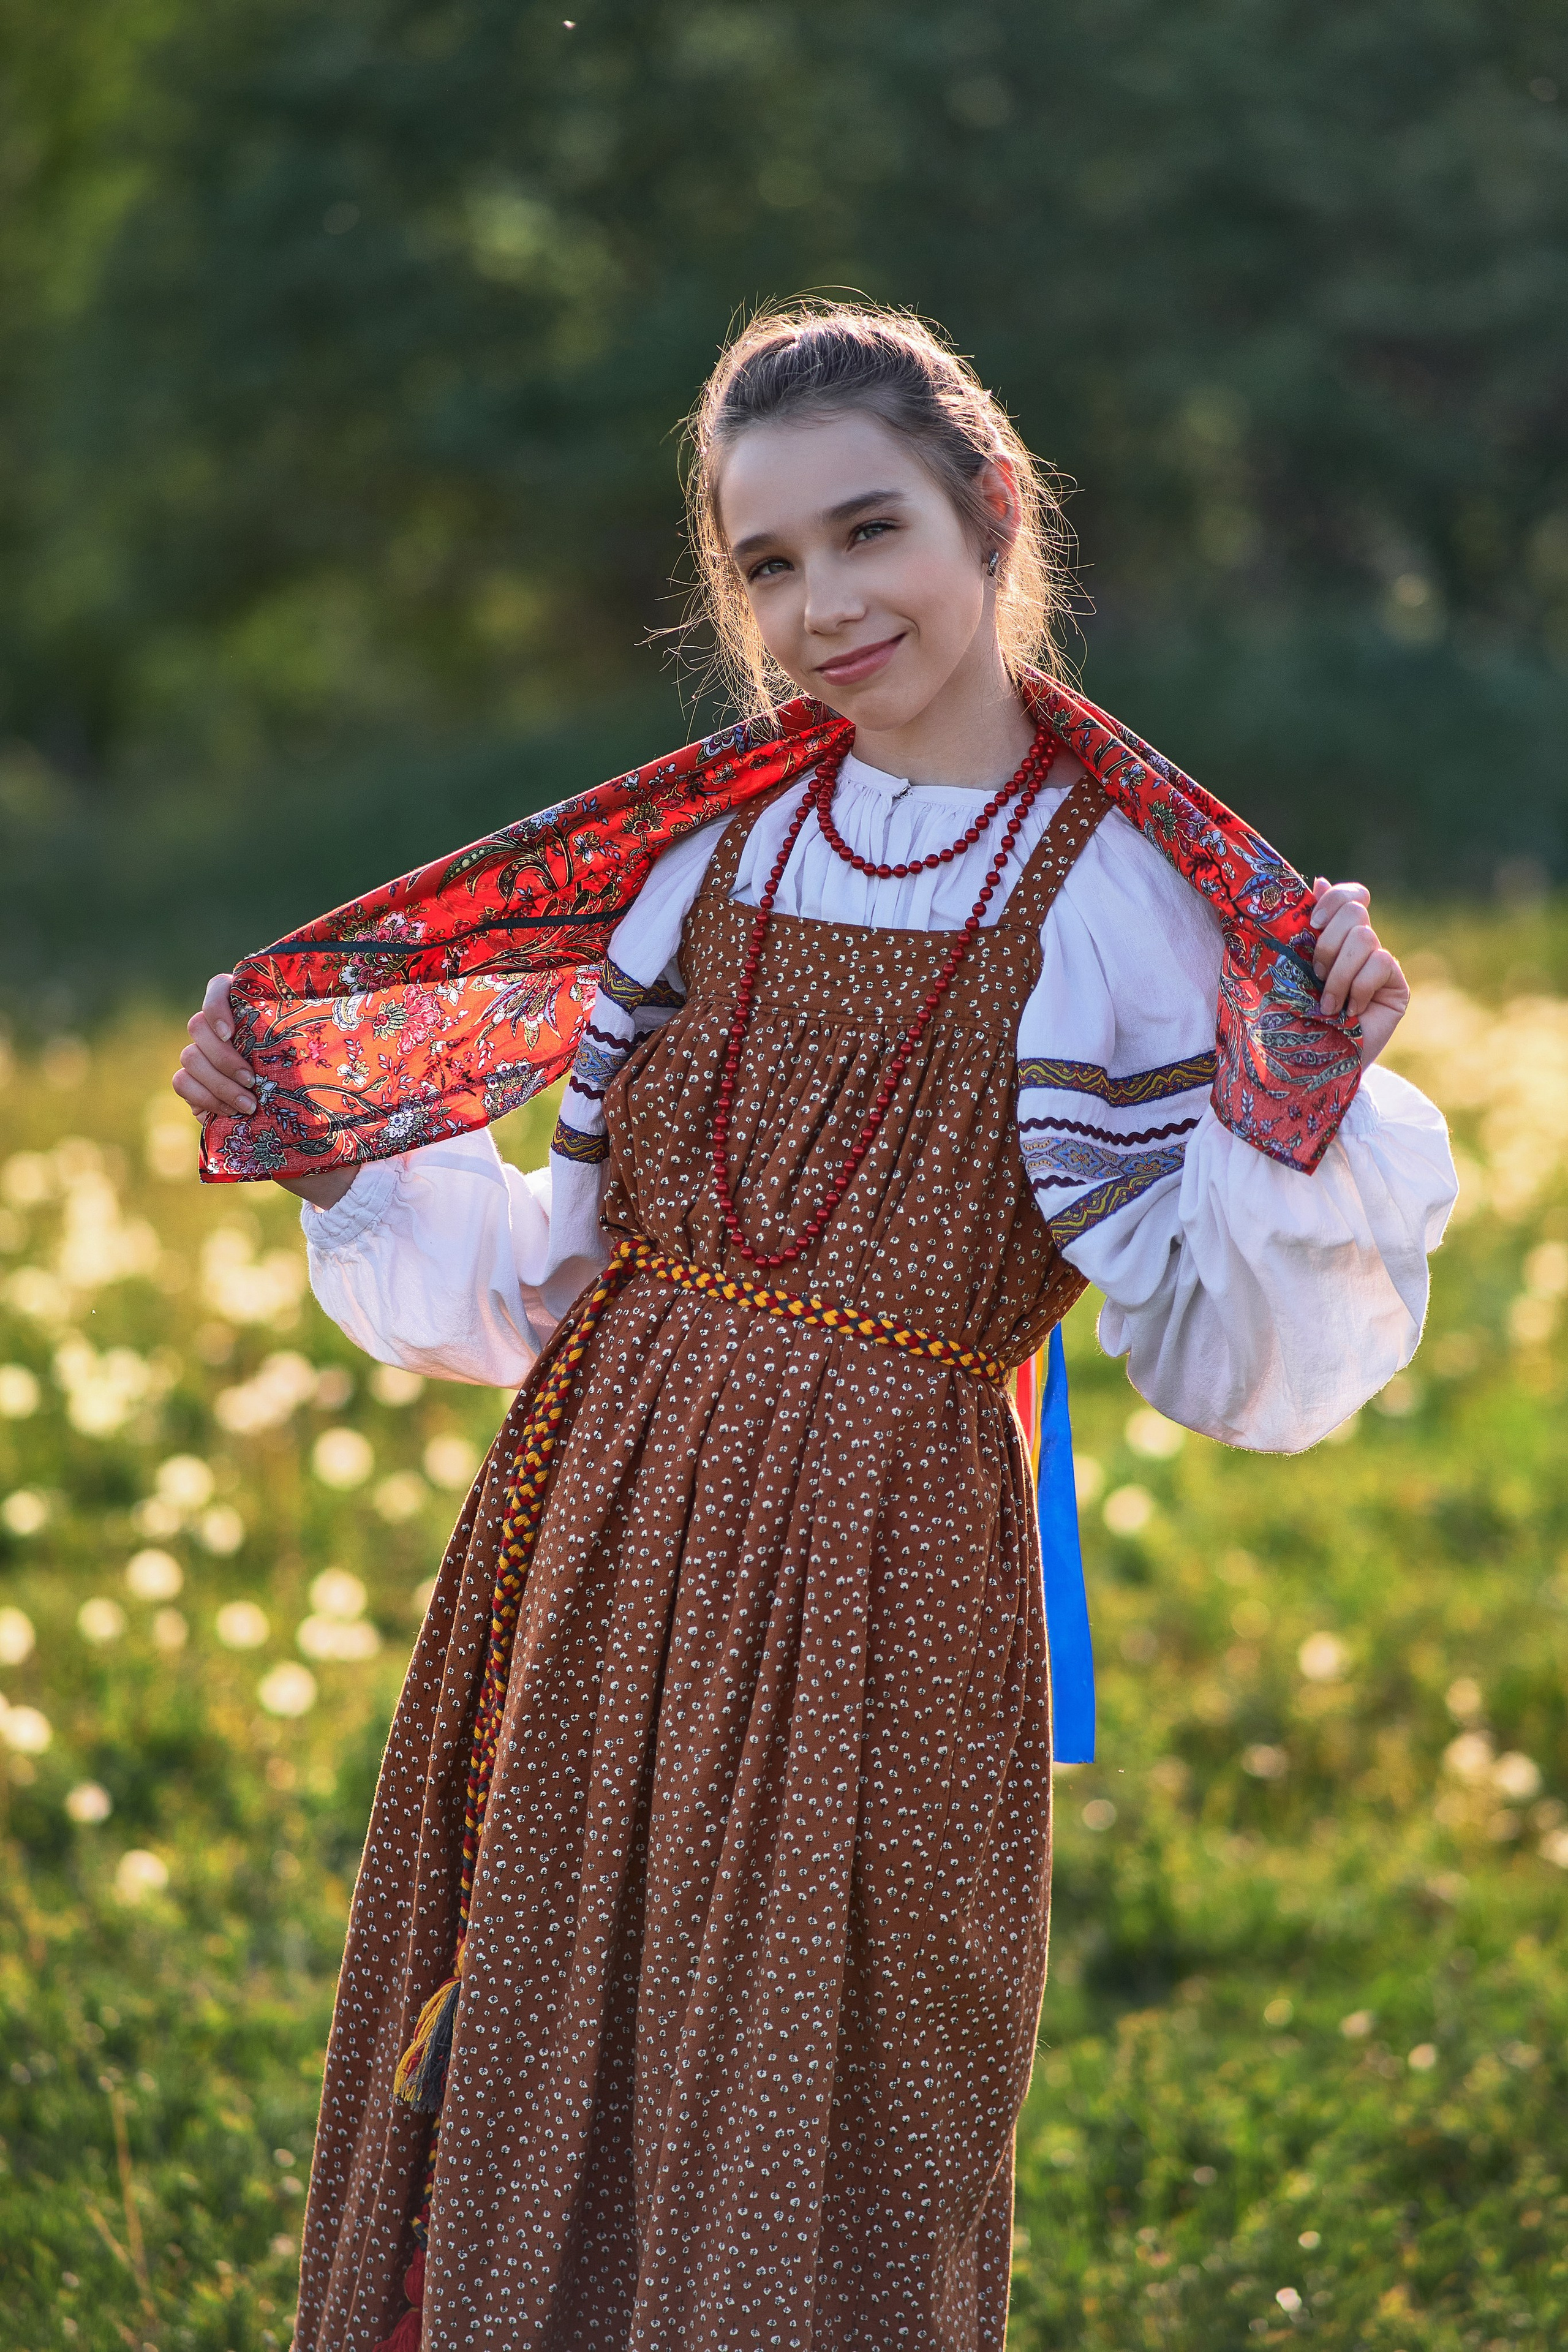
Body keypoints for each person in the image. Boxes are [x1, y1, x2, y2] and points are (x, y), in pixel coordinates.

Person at [173, 302, 1456, 2352]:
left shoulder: (1125, 898)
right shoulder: (711, 852)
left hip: (887, 1581)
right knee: (538, 2061)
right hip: (589, 1541)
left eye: (870, 535)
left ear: (991, 514)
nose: (825, 605)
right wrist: (339, 1159)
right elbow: (555, 1274)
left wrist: (1292, 1105)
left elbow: (1236, 1362)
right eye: (768, 565)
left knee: (828, 2117)